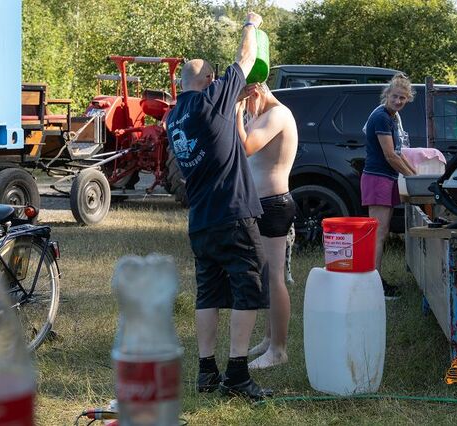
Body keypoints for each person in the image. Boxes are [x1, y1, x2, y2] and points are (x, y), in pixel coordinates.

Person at [165, 12, 271, 400]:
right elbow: (245, 58)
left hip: (201, 220)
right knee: (250, 286)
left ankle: (206, 372)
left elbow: (214, 128)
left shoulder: (175, 116)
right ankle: (238, 375)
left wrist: (235, 100)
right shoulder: (213, 97)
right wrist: (250, 24)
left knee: (208, 293)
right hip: (233, 213)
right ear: (210, 81)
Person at [235, 82, 298, 369]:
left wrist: (237, 112)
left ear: (255, 92)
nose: (246, 109)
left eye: (246, 101)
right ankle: (269, 338)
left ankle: (279, 349)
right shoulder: (262, 115)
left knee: (274, 278)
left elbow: (246, 146)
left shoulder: (277, 114)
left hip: (274, 205)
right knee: (264, 275)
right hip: (260, 204)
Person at [361, 73, 416, 300]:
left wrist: (413, 174)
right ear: (387, 95)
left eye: (403, 98)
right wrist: (413, 178)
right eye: (395, 96)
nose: (399, 101)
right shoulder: (382, 117)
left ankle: (374, 280)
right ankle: (373, 285)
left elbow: (398, 155)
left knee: (380, 232)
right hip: (377, 178)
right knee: (378, 234)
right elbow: (390, 155)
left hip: (385, 178)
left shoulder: (391, 117)